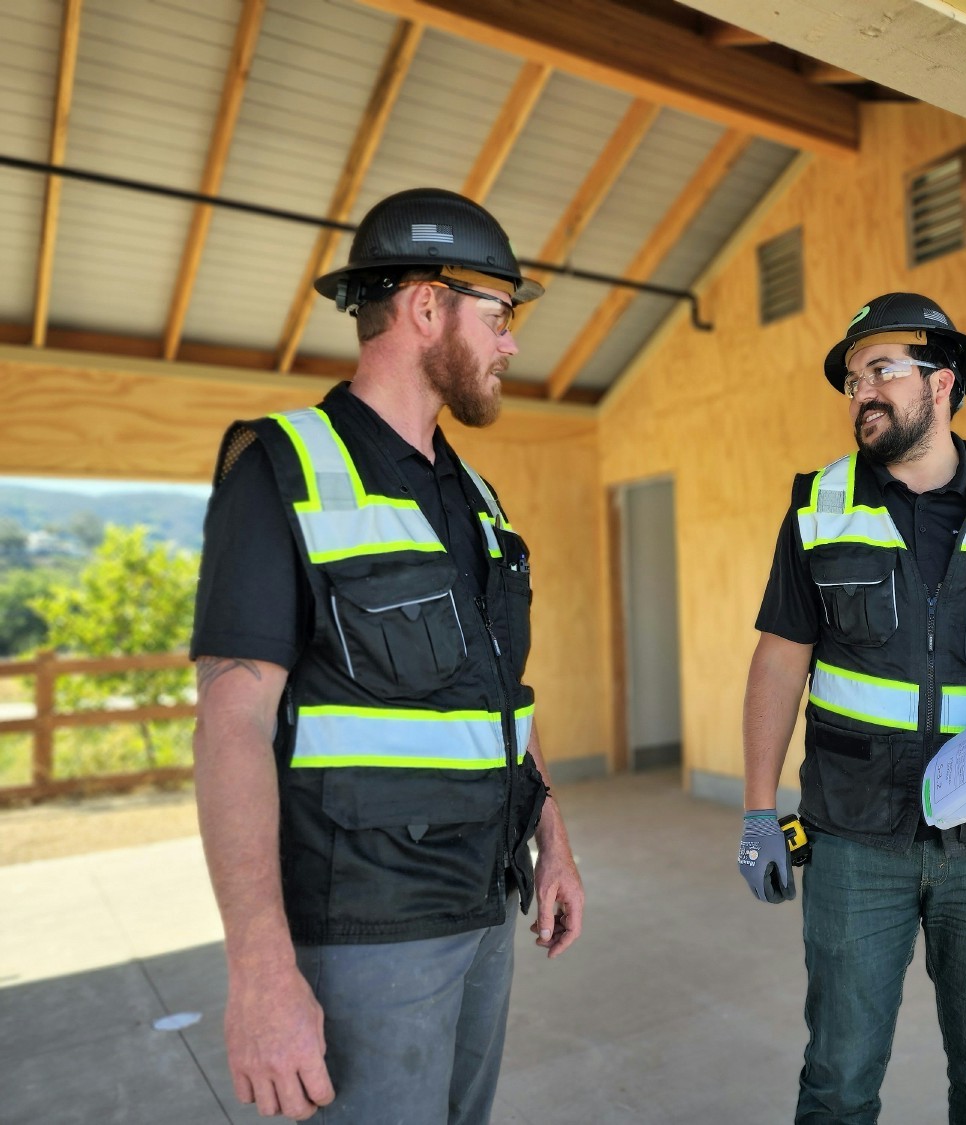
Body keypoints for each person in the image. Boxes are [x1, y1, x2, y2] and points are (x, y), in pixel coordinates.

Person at [191, 188, 584, 1123]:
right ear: (424, 308)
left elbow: (492, 699)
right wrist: (258, 969)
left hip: (487, 906)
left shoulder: (476, 497)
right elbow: (230, 722)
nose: (511, 343)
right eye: (499, 315)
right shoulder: (282, 468)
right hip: (367, 932)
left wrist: (553, 834)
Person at [738, 293, 966, 1124]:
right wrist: (761, 811)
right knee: (836, 1081)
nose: (860, 390)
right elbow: (779, 660)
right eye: (851, 377)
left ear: (942, 382)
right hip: (854, 842)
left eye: (881, 370)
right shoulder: (818, 504)